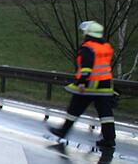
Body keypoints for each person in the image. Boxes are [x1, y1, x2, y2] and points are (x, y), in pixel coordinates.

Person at [49, 20, 115, 149]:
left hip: (90, 85)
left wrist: (82, 82)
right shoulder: (106, 46)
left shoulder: (88, 47)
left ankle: (63, 131)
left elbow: (87, 67)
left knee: (74, 109)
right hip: (105, 85)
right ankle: (109, 139)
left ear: (88, 33)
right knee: (106, 115)